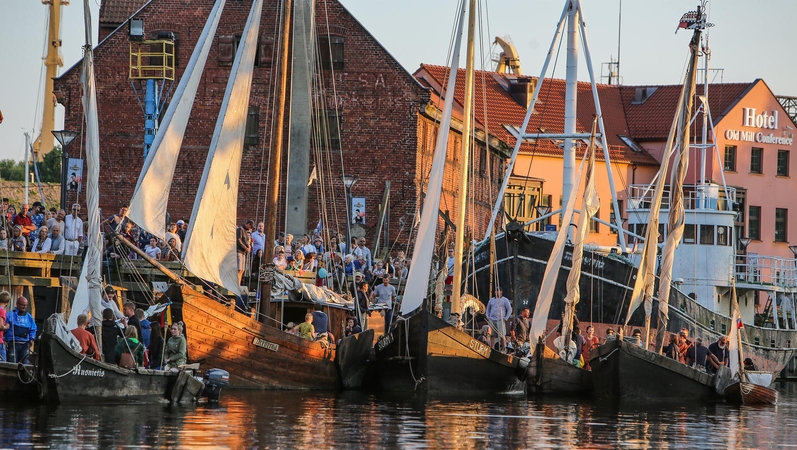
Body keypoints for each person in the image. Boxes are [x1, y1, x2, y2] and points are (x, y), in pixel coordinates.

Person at [5, 296, 36, 363]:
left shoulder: (29, 316)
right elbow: (4, 329)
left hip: (25, 344)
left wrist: (32, 338)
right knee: (12, 364)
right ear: (17, 304)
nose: (24, 307)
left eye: (26, 305)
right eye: (22, 305)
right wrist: (4, 339)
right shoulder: (10, 315)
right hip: (12, 344)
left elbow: (33, 329)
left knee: (25, 365)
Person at [0, 292, 9, 361]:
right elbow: (0, 326)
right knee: (3, 364)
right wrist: (7, 326)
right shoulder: (2, 310)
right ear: (7, 302)